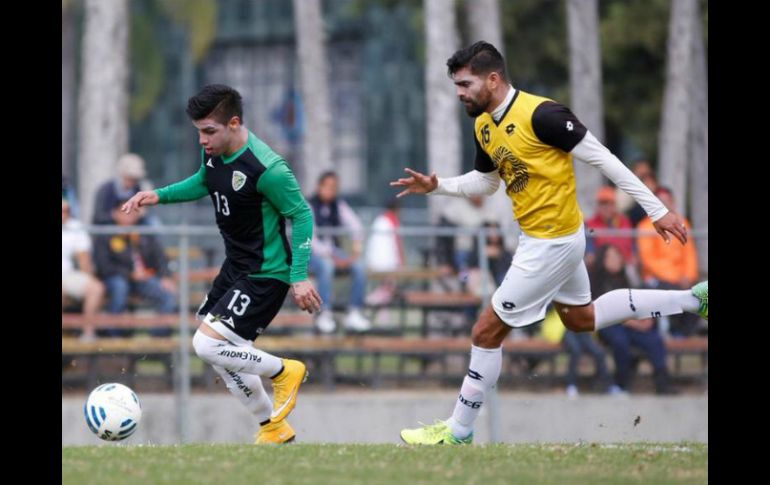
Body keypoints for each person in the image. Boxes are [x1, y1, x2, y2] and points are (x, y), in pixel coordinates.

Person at [392, 42, 707, 445]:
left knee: (485, 331)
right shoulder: (484, 125)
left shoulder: (543, 114)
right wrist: (438, 187)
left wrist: (656, 209)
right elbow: (487, 183)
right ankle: (694, 300)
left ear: (493, 78)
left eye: (465, 84)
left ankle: (458, 431)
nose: (460, 93)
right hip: (541, 240)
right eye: (456, 85)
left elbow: (605, 159)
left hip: (552, 243)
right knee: (581, 319)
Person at [121, 84, 322, 444]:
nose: (202, 140)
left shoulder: (269, 168)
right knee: (222, 354)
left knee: (206, 344)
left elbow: (302, 215)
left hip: (265, 273)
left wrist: (300, 276)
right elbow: (204, 181)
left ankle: (284, 371)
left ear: (233, 123)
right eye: (198, 131)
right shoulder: (213, 153)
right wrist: (159, 196)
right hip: (235, 268)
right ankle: (272, 427)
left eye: (209, 131)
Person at [308, 171, 372, 333]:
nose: (330, 190)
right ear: (319, 186)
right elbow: (310, 238)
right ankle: (324, 313)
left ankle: (354, 312)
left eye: (334, 187)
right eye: (327, 186)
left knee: (359, 266)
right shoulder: (308, 205)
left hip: (334, 252)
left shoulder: (339, 205)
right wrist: (332, 256)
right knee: (327, 266)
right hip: (310, 254)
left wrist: (356, 249)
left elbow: (356, 225)